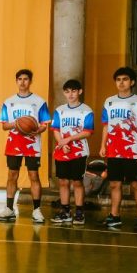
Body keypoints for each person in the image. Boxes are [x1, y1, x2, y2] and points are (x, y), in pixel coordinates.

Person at [98, 67, 137, 231]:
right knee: (115, 184)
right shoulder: (109, 101)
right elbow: (106, 126)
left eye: (125, 79)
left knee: (136, 184)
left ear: (132, 82)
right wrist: (103, 145)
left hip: (133, 150)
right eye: (118, 79)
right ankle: (115, 216)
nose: (121, 82)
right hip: (114, 150)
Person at [0, 69, 51, 223]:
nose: (22, 82)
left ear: (30, 81)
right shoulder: (8, 102)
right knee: (12, 175)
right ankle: (9, 209)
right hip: (14, 144)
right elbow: (4, 126)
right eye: (19, 79)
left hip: (32, 144)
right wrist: (18, 123)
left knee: (34, 176)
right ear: (16, 81)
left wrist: (35, 130)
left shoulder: (39, 102)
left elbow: (44, 125)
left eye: (25, 79)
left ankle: (37, 210)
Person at [51, 79, 94, 225]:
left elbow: (87, 132)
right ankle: (65, 211)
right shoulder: (59, 110)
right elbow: (56, 129)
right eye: (67, 91)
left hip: (79, 151)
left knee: (77, 182)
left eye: (74, 91)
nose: (70, 94)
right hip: (63, 150)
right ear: (64, 92)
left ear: (80, 92)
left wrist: (68, 139)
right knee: (63, 181)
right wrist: (62, 144)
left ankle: (80, 212)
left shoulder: (86, 110)